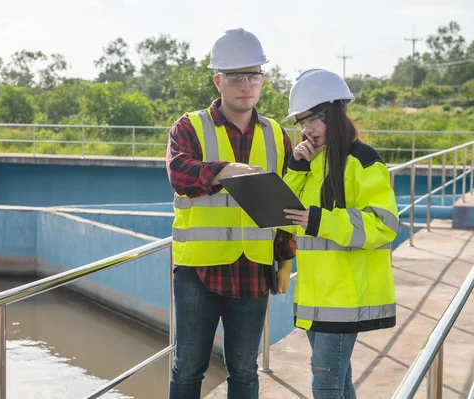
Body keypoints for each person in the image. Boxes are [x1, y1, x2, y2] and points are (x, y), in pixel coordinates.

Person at [165, 28, 296, 399]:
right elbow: (179, 174)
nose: (245, 85)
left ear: (263, 80)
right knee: (189, 368)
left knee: (245, 370)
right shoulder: (190, 126)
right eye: (235, 76)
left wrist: (284, 257)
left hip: (252, 270)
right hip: (198, 273)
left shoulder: (276, 134)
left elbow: (286, 204)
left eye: (253, 75)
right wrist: (226, 171)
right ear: (217, 80)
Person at [281, 69, 399, 399]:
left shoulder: (363, 161)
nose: (307, 129)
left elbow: (384, 224)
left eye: (313, 119)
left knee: (326, 384)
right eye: (302, 122)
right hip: (316, 296)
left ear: (335, 111)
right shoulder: (313, 163)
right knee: (338, 383)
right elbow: (289, 219)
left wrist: (320, 221)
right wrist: (296, 168)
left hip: (345, 296)